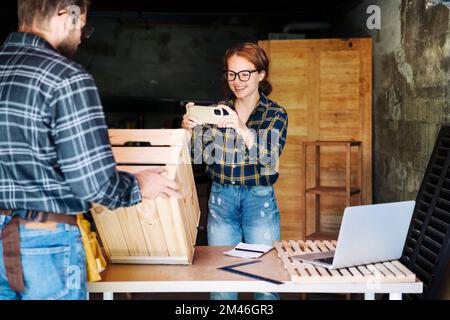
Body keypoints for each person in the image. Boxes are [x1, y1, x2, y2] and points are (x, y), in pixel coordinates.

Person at [0, 0, 179, 300]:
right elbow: (94, 184)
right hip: (44, 242)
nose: (81, 37)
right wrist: (142, 184)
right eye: (83, 27)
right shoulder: (66, 78)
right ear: (67, 14)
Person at [182, 43, 288, 300]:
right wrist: (188, 131)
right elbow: (200, 157)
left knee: (265, 281)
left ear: (261, 74)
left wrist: (242, 129)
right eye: (231, 74)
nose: (237, 81)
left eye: (244, 74)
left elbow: (268, 159)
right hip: (222, 198)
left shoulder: (275, 114)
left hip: (259, 199)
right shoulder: (218, 111)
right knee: (221, 281)